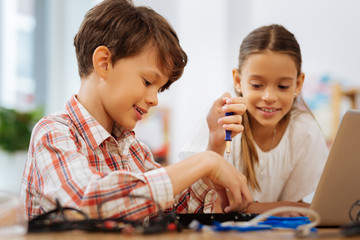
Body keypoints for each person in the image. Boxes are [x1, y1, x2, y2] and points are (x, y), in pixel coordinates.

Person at [20, 0, 253, 220]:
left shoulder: (133, 151)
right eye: (148, 82)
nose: (154, 100)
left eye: (159, 90)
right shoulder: (53, 133)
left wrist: (214, 145)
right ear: (104, 63)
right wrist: (204, 162)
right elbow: (84, 202)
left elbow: (179, 209)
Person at [179, 24, 329, 215]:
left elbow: (294, 206)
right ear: (238, 80)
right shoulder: (223, 122)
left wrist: (285, 209)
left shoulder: (303, 129)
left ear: (298, 84)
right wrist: (277, 208)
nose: (269, 96)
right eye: (257, 85)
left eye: (282, 86)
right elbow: (211, 206)